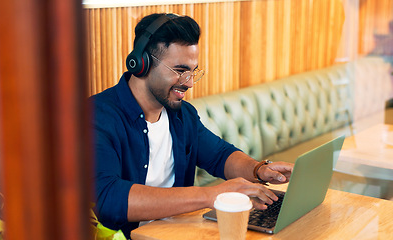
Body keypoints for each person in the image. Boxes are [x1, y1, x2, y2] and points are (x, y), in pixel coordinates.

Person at [90, 13, 294, 238]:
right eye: (179, 71)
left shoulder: (182, 114)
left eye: (192, 71)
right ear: (140, 63)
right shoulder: (96, 117)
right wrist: (210, 195)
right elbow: (108, 197)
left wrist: (259, 169)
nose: (188, 82)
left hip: (179, 232)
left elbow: (219, 156)